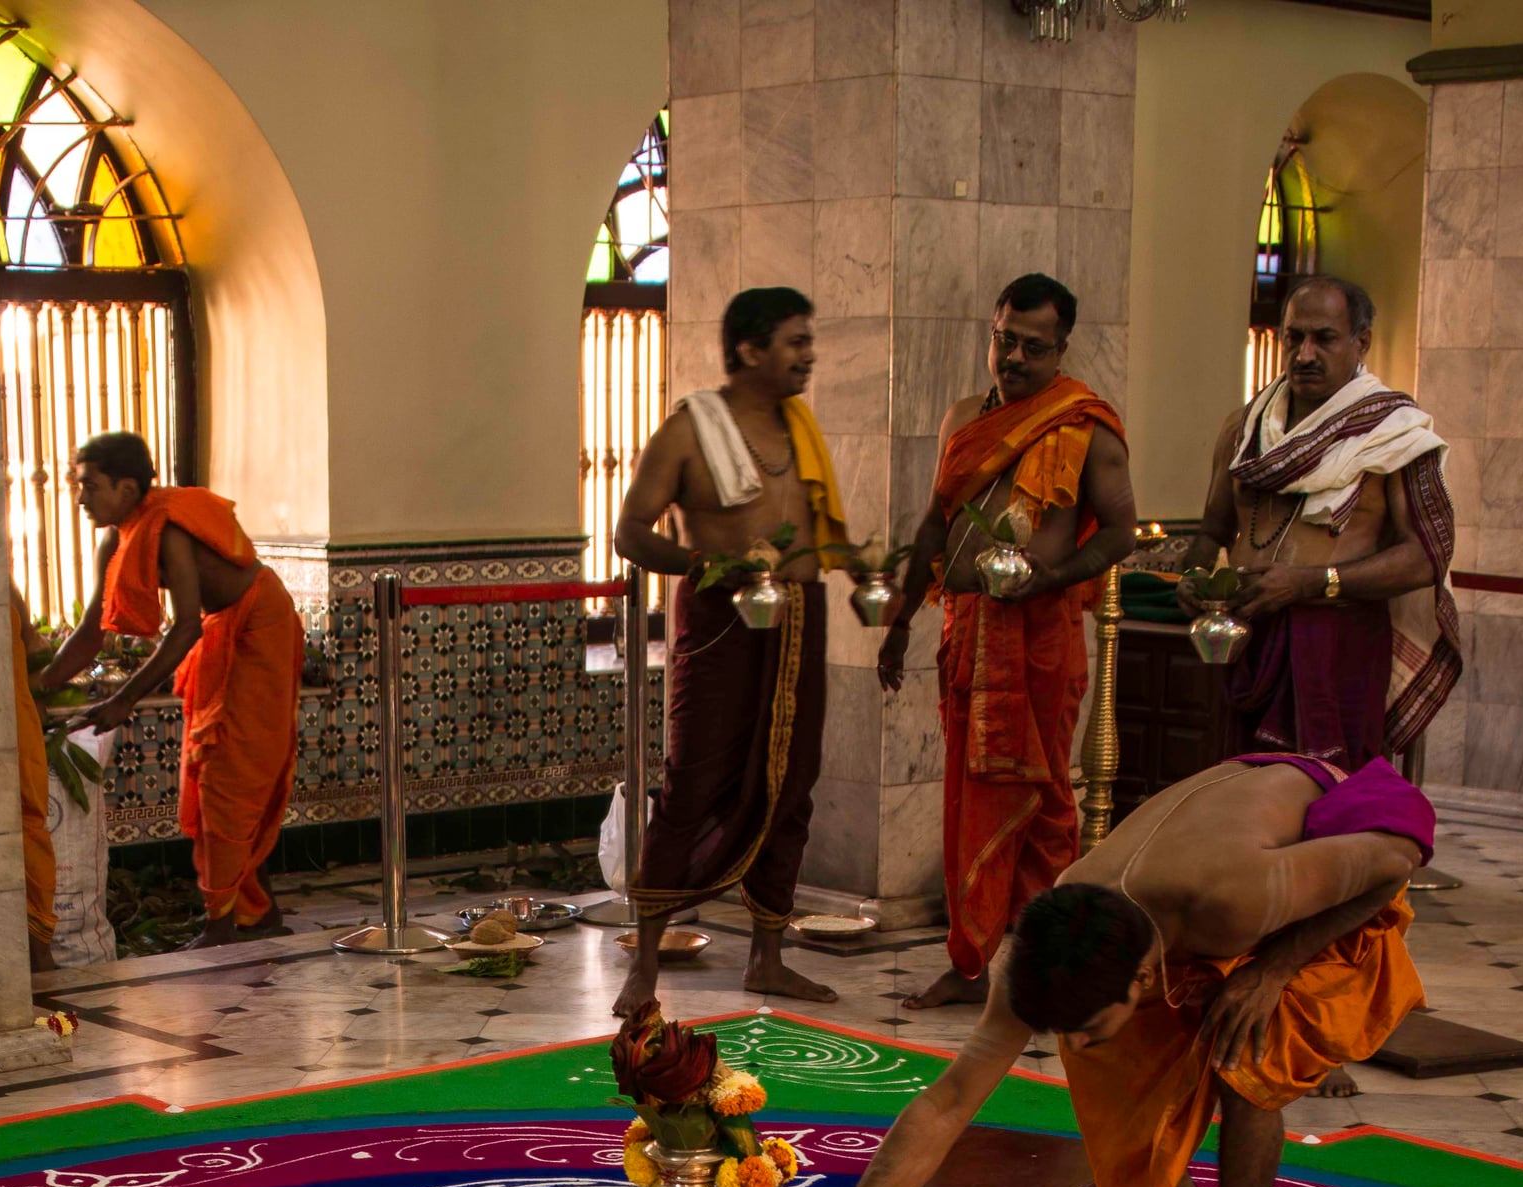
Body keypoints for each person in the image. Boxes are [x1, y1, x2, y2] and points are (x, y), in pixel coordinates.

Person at [774, 752, 1427, 1187]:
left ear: (1145, 980)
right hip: (1187, 883)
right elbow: (947, 1103)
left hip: (1317, 846)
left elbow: (1396, 857)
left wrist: (1274, 969)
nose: (1068, 1048)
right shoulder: (1039, 951)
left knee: (1248, 1060)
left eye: (1082, 1026)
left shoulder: (1241, 899)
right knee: (1115, 1070)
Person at [874, 272, 1137, 1012]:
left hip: (1041, 639)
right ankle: (969, 965)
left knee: (1044, 799)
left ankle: (1039, 963)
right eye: (1003, 340)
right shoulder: (965, 416)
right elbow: (934, 524)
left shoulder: (1086, 427)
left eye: (1032, 346)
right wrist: (899, 623)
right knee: (967, 798)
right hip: (968, 631)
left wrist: (1052, 575)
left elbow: (1119, 530)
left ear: (1061, 350)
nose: (1013, 357)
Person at [607, 284, 852, 1018]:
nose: (809, 356)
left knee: (792, 784)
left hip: (801, 618)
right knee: (692, 784)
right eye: (795, 342)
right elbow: (630, 532)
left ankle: (767, 961)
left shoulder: (798, 427)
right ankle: (645, 966)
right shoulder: (690, 430)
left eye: (809, 341)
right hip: (720, 619)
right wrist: (707, 568)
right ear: (749, 350)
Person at [1151, 276, 1459, 775]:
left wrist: (1312, 582)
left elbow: (1427, 556)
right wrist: (1195, 578)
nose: (1305, 353)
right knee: (1230, 796)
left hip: (1335, 647)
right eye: (1294, 337)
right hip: (1245, 640)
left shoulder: (1395, 434)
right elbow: (1211, 532)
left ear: (1361, 343)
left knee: (1320, 804)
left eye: (1324, 338)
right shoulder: (1244, 428)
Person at [38, 433, 299, 946]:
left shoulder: (169, 531)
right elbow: (93, 632)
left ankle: (222, 927)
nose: (80, 498)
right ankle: (257, 911)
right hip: (223, 628)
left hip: (261, 625)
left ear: (127, 487)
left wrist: (123, 701)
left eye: (90, 486)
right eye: (78, 486)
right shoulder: (116, 539)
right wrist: (36, 685)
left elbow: (184, 629)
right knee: (209, 771)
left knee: (230, 777)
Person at [10, 587, 57, 974]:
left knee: (28, 823)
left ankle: (40, 952)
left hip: (16, 720)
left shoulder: (2, 582)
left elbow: (33, 648)